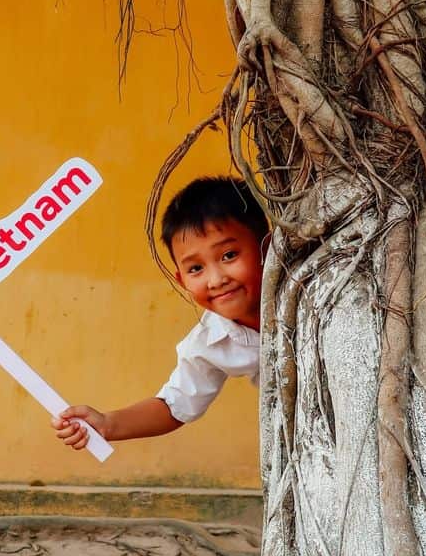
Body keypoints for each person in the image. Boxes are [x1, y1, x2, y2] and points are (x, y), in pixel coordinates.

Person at [52, 176, 268, 448]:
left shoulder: (312, 299)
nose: (215, 280)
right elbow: (174, 406)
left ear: (267, 247)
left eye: (228, 256)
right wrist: (107, 423)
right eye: (195, 269)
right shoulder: (208, 341)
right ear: (181, 280)